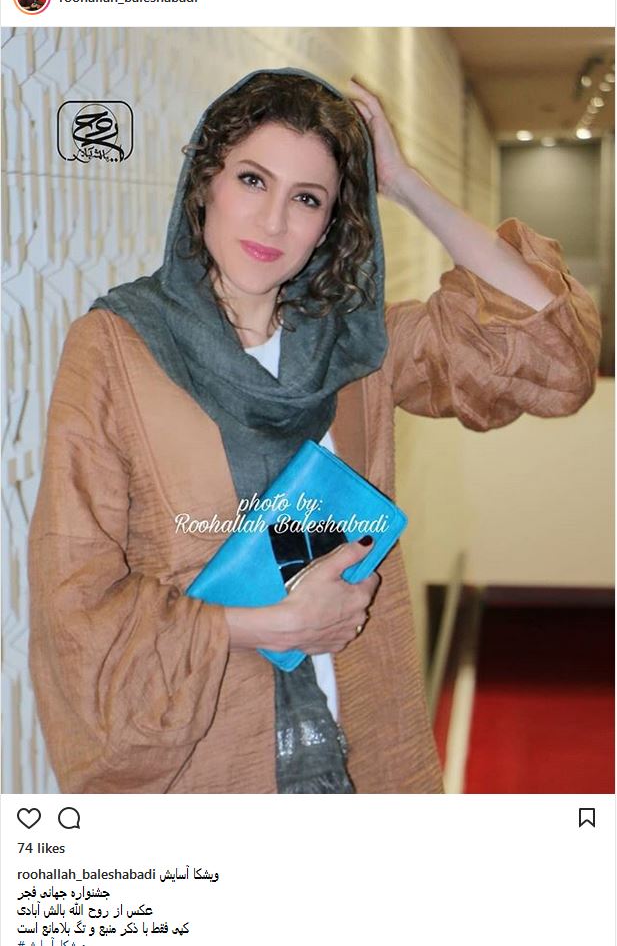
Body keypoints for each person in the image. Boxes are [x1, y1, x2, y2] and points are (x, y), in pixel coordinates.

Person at [28, 68, 601, 794]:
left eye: (307, 199)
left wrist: (405, 184)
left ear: (331, 222)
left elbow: (553, 356)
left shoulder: (354, 350)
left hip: (365, 741)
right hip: (209, 759)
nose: (272, 223)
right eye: (252, 180)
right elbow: (72, 601)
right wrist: (262, 624)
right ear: (204, 182)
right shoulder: (117, 346)